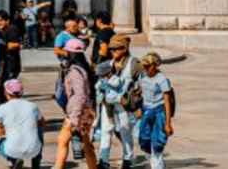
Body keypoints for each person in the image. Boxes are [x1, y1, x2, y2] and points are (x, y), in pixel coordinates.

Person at [94, 33, 139, 167]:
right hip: (107, 105)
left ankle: (128, 160)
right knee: (106, 132)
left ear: (125, 48)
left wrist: (138, 105)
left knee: (125, 134)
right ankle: (103, 161)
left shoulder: (135, 64)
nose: (113, 51)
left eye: (116, 48)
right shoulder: (108, 64)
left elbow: (143, 84)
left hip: (124, 106)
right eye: (111, 49)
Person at [52, 39, 97, 169]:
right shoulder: (84, 68)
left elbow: (80, 95)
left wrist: (75, 117)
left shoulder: (75, 71)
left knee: (62, 140)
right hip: (86, 111)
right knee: (86, 143)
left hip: (78, 112)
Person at [0, 79, 43, 169]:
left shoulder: (3, 108)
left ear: (5, 93)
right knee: (39, 128)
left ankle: (14, 160)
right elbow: (43, 122)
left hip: (12, 150)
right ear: (22, 92)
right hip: (34, 150)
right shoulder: (33, 106)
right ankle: (36, 164)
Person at [136, 53, 173, 169]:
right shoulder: (142, 76)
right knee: (143, 139)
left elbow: (167, 102)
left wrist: (168, 123)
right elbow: (140, 94)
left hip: (159, 111)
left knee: (158, 141)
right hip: (146, 110)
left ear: (155, 65)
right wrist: (139, 108)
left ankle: (157, 162)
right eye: (144, 66)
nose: (146, 69)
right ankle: (153, 156)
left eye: (148, 66)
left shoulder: (162, 79)